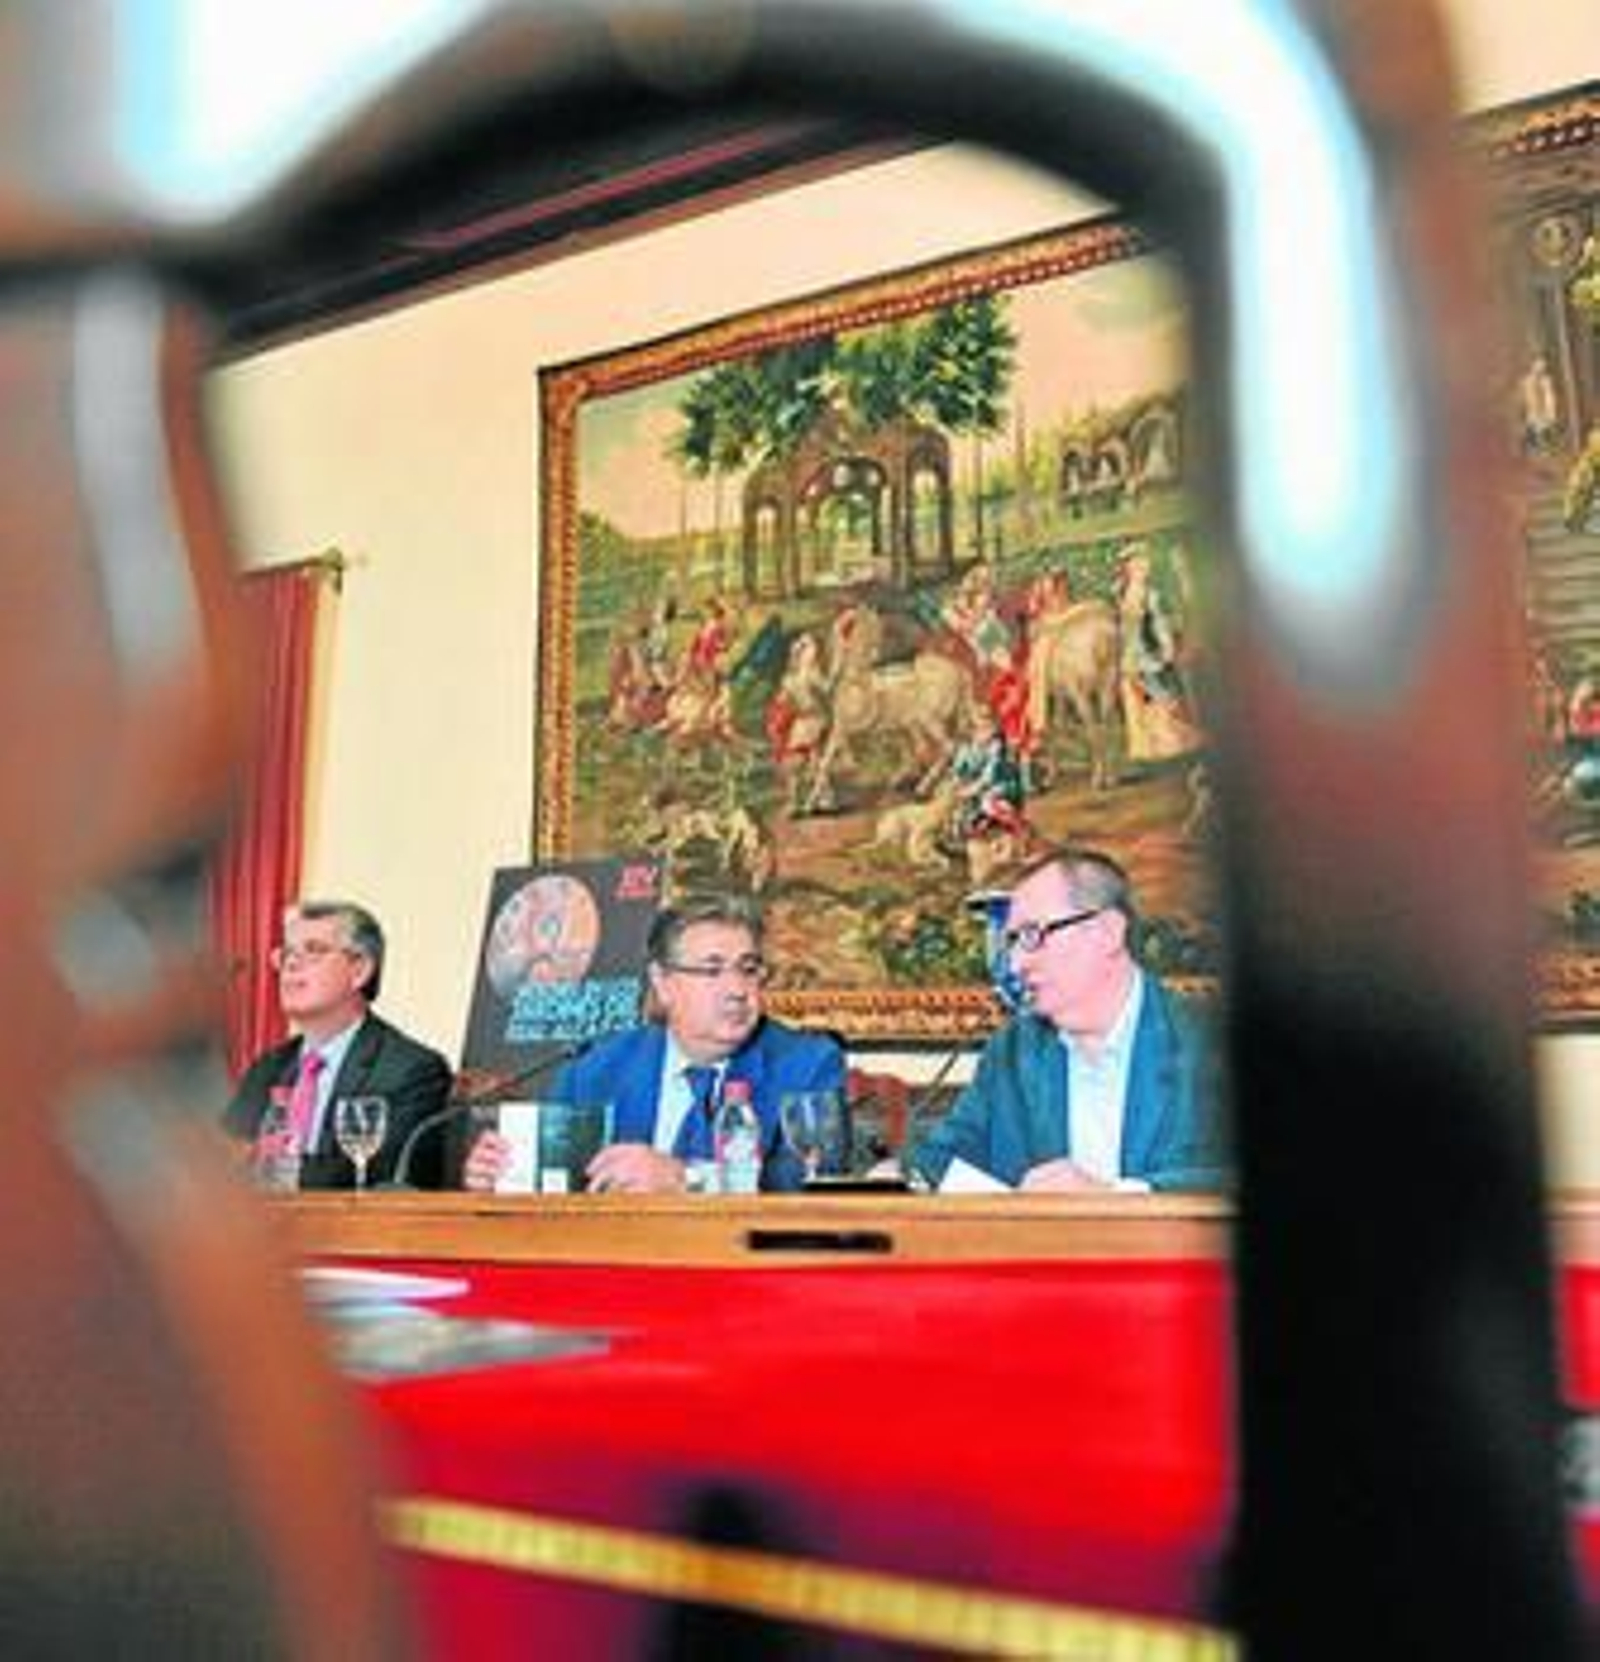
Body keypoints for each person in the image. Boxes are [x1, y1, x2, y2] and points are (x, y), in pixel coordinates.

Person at [462, 895, 846, 1193]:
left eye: (748, 969)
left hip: (744, 1279)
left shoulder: (807, 1064)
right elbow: (557, 1182)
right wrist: (503, 1174)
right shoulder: (595, 1067)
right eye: (712, 970)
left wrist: (690, 1180)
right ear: (663, 983)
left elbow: (813, 1190)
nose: (737, 989)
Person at [902, 847, 1227, 1192]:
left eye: (1031, 935)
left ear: (1107, 933)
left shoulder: (1210, 1041)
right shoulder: (1014, 1047)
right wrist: (895, 1175)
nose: (1016, 964)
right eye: (1011, 942)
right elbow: (946, 1155)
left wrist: (1115, 1196)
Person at [222, 899, 455, 1188]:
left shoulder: (413, 1071)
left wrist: (264, 1167)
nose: (292, 964)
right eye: (287, 954)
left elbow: (374, 1174)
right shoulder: (268, 1068)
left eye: (314, 950)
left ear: (360, 970)